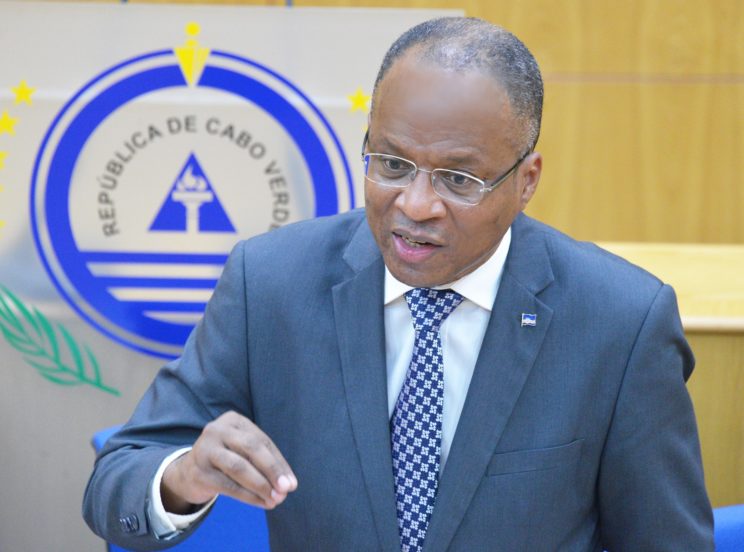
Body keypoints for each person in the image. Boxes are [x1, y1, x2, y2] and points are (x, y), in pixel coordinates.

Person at [83, 17, 714, 551]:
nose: (415, 205)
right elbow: (118, 480)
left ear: (526, 181)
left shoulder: (619, 323)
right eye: (391, 164)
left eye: (459, 180)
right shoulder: (271, 284)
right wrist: (185, 476)